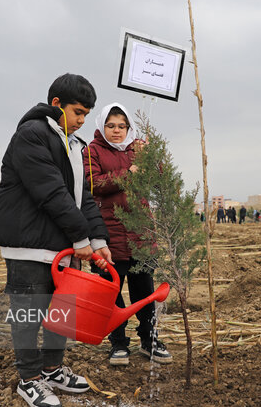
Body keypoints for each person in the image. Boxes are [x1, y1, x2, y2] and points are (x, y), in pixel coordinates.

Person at [0, 74, 113, 407]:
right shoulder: (31, 136)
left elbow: (81, 197)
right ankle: (28, 379)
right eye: (77, 112)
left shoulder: (74, 145)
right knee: (29, 312)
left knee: (62, 309)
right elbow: (51, 193)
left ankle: (52, 369)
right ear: (56, 104)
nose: (82, 121)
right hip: (29, 243)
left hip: (59, 246)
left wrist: (98, 237)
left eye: (87, 115)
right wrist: (80, 236)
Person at [84, 102, 172, 366]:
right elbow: (93, 184)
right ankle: (118, 343)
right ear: (102, 126)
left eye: (122, 126)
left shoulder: (137, 149)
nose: (117, 131)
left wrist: (150, 159)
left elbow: (158, 180)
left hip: (140, 234)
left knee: (144, 291)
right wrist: (130, 172)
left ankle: (149, 339)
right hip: (107, 234)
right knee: (109, 292)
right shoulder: (92, 151)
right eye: (111, 126)